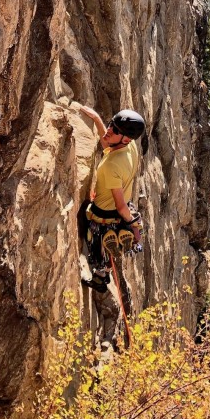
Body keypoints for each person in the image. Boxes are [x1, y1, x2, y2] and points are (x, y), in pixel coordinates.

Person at [76, 105, 145, 344]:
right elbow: (109, 145)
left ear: (124, 138)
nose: (109, 131)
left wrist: (132, 224)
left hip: (104, 213)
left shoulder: (109, 166)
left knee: (95, 245)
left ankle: (101, 276)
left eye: (113, 129)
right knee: (111, 236)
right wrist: (96, 118)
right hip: (120, 210)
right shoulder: (131, 147)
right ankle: (115, 242)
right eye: (110, 124)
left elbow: (118, 205)